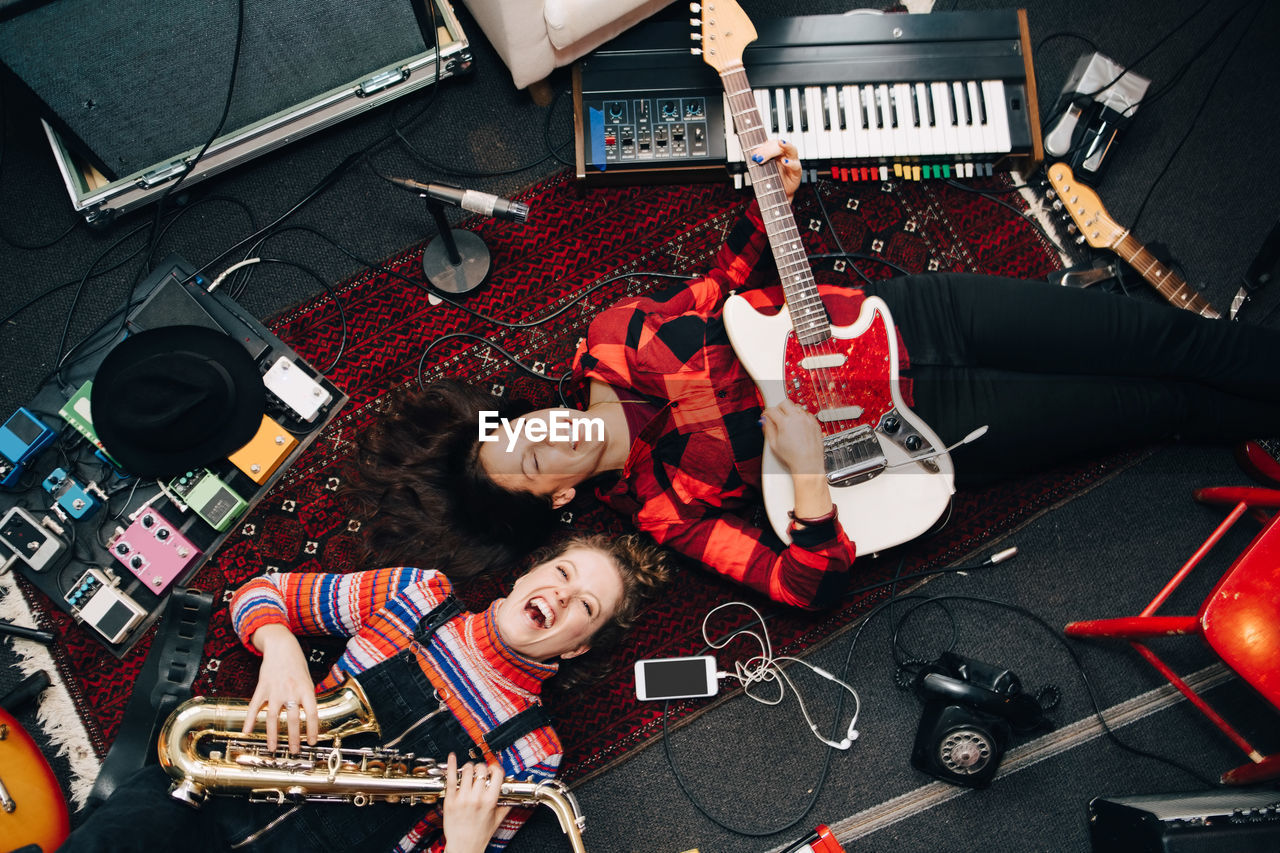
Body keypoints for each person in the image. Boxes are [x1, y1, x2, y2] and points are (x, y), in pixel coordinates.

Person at [357, 140, 1280, 611]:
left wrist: (773, 198)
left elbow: (724, 284)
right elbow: (807, 588)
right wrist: (805, 482)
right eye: (525, 462)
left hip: (912, 315)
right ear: (556, 501)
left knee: (1167, 339)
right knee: (1158, 407)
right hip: (931, 425)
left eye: (513, 431)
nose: (536, 437)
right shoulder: (664, 512)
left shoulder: (611, 338)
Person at [58, 532, 669, 853]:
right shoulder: (416, 594)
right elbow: (258, 593)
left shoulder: (534, 755)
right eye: (562, 573)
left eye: (585, 605)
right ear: (526, 575)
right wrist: (282, 650)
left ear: (577, 647)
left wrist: (464, 845)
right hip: (201, 795)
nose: (562, 595)